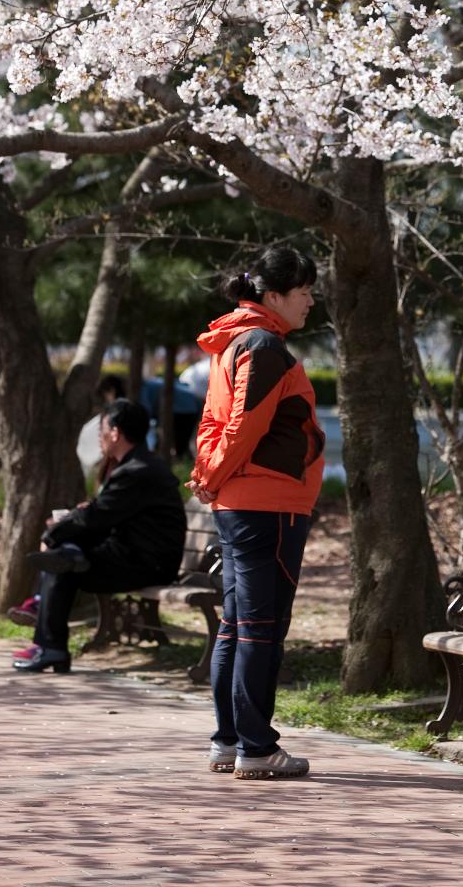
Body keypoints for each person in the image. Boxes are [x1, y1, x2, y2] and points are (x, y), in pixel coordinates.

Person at [187, 246, 325, 780]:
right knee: (260, 628)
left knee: (239, 625)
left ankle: (229, 741)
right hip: (268, 504)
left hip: (246, 501)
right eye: (304, 291)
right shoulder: (264, 344)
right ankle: (257, 746)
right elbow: (243, 426)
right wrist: (213, 475)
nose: (311, 301)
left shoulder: (235, 342)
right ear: (273, 296)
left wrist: (207, 474)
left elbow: (212, 422)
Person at [12, 399, 187, 673]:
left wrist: (52, 534)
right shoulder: (138, 465)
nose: (100, 438)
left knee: (63, 561)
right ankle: (47, 639)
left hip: (148, 564)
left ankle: (49, 643)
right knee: (65, 556)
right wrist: (65, 526)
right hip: (138, 556)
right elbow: (102, 514)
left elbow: (97, 517)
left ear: (115, 433)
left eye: (101, 431)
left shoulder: (136, 472)